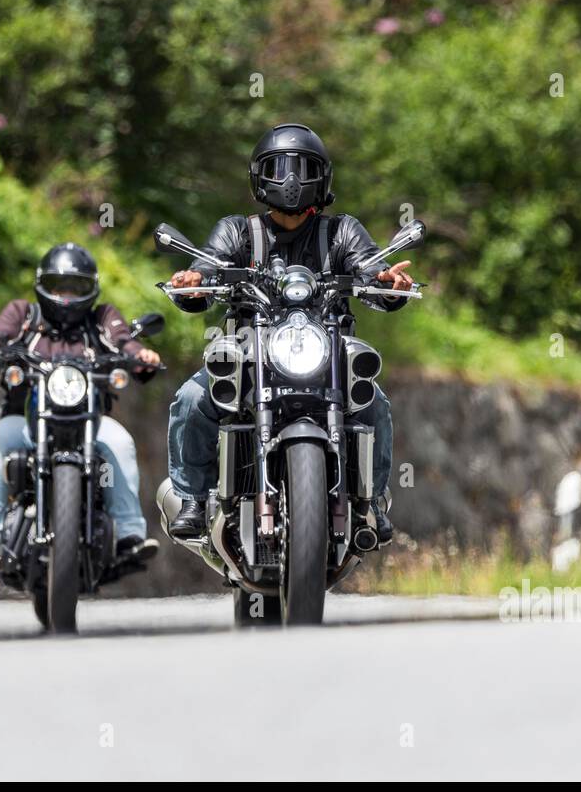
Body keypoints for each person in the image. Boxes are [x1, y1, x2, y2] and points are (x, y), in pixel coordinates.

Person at [164, 123, 415, 543]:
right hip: (250, 350)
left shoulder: (342, 232)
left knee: (375, 403)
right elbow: (206, 271)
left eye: (302, 168)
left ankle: (370, 501)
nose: (291, 180)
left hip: (326, 350)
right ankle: (191, 497)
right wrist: (193, 282)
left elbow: (371, 270)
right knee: (192, 398)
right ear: (261, 176)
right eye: (279, 168)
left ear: (322, 176)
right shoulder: (237, 231)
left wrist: (388, 282)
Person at [0, 242, 162, 565]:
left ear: (90, 289)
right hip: (26, 422)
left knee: (120, 442)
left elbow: (123, 340)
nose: (65, 295)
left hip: (91, 423)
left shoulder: (101, 318)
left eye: (74, 287)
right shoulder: (23, 315)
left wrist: (140, 355)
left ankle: (128, 535)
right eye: (57, 286)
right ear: (42, 286)